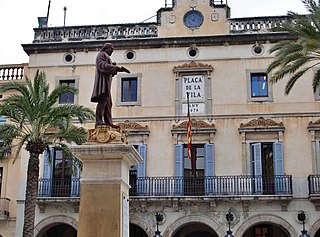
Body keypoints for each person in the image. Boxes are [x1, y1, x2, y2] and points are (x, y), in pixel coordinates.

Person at [90, 43, 130, 128]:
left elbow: (108, 70)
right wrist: (117, 68)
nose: (112, 51)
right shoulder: (101, 55)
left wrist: (113, 67)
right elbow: (102, 66)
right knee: (102, 101)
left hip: (107, 83)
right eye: (111, 49)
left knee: (108, 103)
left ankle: (108, 122)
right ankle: (99, 121)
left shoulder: (106, 56)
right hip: (102, 83)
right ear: (106, 48)